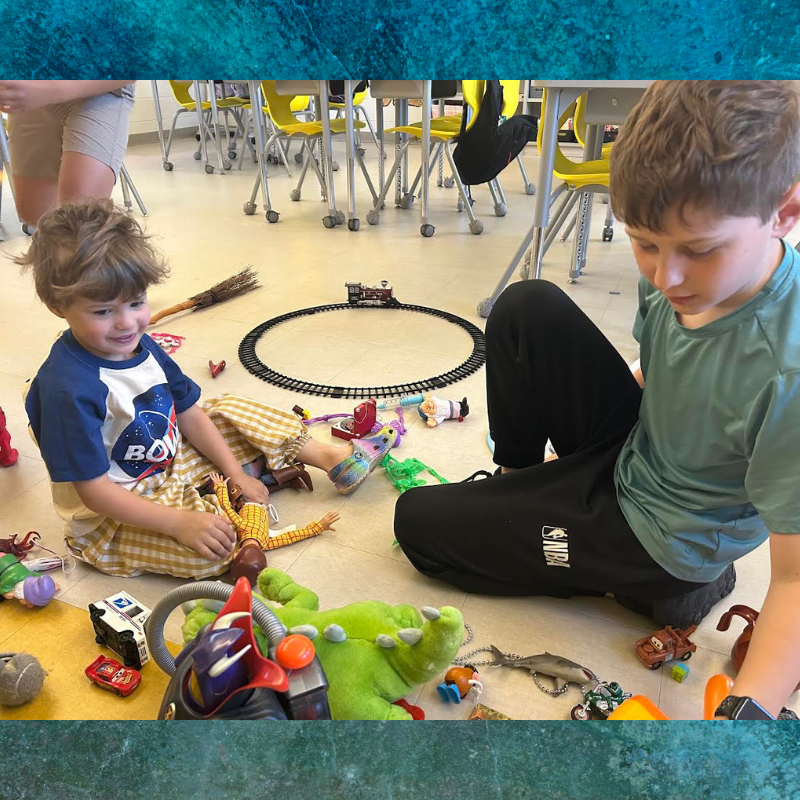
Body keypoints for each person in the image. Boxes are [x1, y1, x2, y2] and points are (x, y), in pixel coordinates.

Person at [394, 81, 800, 718]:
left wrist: (747, 722)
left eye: (698, 251)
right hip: (641, 447)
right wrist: (552, 466)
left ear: (785, 213)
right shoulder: (676, 277)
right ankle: (521, 483)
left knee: (416, 525)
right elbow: (658, 371)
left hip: (667, 539)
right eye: (644, 243)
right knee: (526, 307)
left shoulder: (789, 371)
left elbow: (797, 580)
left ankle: (666, 583)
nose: (664, 277)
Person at [19, 199, 397, 579]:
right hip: (115, 509)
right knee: (217, 548)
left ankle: (329, 459)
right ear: (57, 305)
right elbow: (95, 493)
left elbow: (189, 413)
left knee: (225, 408)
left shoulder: (140, 345)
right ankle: (244, 480)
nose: (127, 323)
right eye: (103, 311)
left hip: (167, 460)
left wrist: (234, 474)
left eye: (137, 303)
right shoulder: (66, 390)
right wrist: (178, 523)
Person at [0, 80, 136, 228]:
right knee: (36, 215)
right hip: (30, 83)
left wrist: (50, 90)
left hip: (101, 83)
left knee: (80, 216)